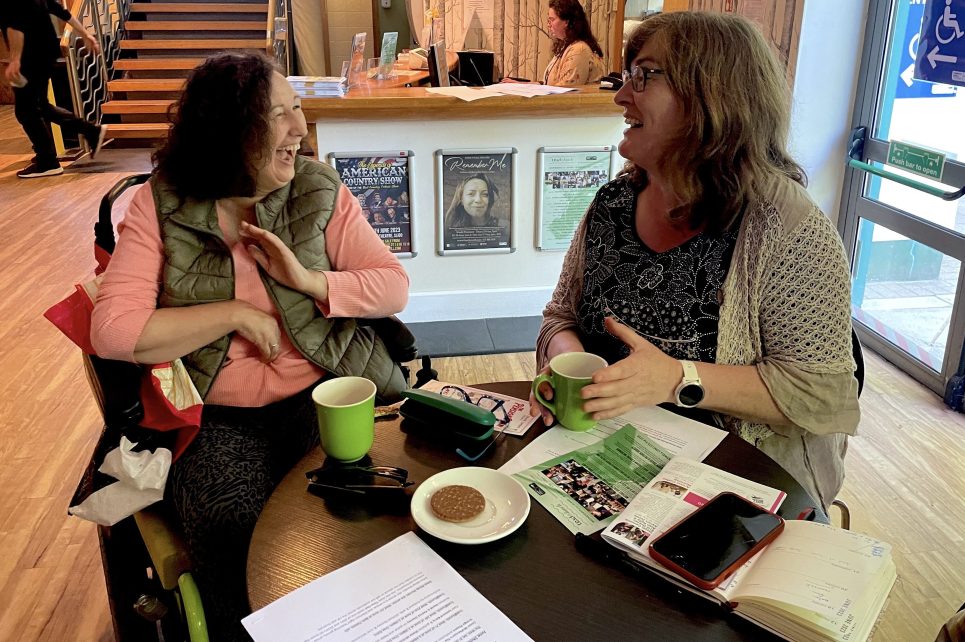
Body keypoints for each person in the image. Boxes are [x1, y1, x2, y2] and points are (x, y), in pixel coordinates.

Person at [90, 52, 409, 640]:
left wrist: (309, 281)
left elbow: (393, 286)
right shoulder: (160, 205)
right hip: (211, 417)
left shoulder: (317, 190)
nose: (300, 129)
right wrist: (231, 313)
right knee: (233, 525)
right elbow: (111, 331)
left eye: (298, 110)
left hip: (321, 395)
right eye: (279, 115)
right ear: (231, 130)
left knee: (368, 508)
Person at [532, 12, 859, 512]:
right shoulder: (613, 204)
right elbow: (561, 316)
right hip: (599, 459)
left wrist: (676, 378)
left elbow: (822, 392)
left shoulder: (788, 228)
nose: (621, 96)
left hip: (729, 492)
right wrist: (565, 361)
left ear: (711, 96)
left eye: (643, 75)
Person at [1, 0, 107, 178]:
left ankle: (48, 162)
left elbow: (15, 26)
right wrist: (85, 34)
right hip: (46, 52)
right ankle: (91, 131)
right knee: (40, 106)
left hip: (31, 56)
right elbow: (60, 10)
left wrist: (15, 59)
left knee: (26, 111)